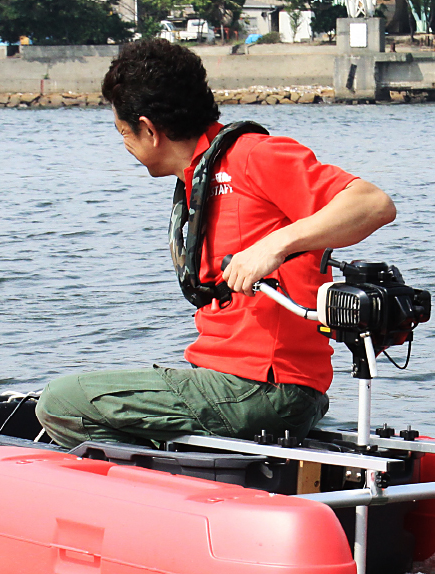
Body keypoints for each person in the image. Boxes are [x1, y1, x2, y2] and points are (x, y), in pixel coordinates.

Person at [34, 39, 397, 449]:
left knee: (61, 403)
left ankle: (151, 492)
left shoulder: (252, 156)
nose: (124, 145)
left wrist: (275, 245)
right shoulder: (199, 179)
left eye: (123, 132)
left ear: (149, 130)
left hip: (263, 388)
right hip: (234, 383)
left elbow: (373, 204)